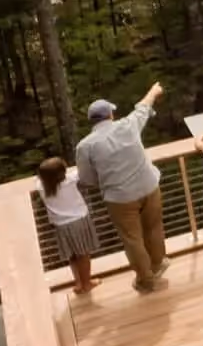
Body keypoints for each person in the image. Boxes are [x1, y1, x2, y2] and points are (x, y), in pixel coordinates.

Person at [76, 82, 168, 292]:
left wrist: (106, 183)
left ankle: (146, 279)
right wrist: (154, 90)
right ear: (110, 115)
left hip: (120, 197)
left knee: (132, 238)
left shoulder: (85, 147)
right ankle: (157, 264)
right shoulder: (128, 125)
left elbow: (86, 178)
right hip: (149, 185)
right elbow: (143, 107)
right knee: (154, 227)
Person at [37, 157, 98, 295]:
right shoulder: (71, 180)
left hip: (60, 226)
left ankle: (78, 283)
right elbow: (82, 172)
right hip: (78, 221)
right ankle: (87, 283)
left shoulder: (41, 187)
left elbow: (42, 180)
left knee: (72, 256)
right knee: (83, 254)